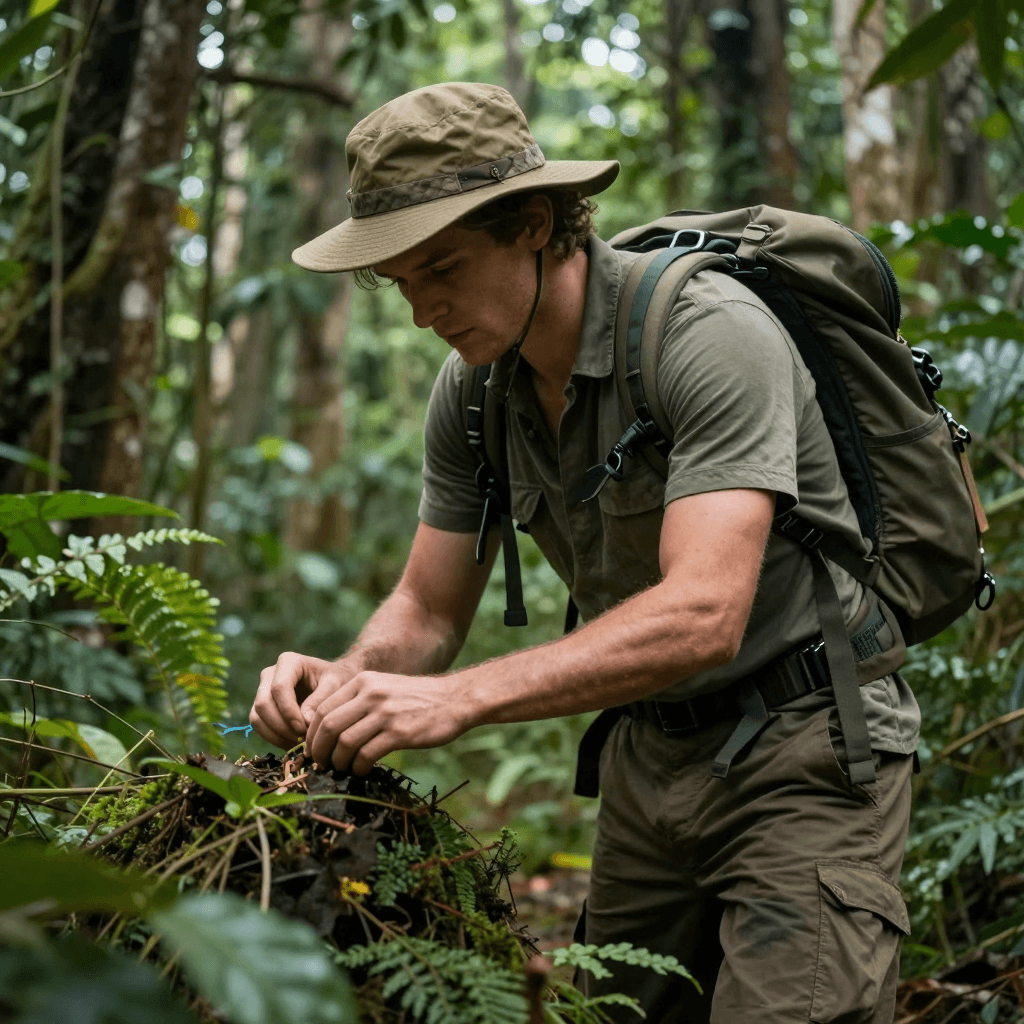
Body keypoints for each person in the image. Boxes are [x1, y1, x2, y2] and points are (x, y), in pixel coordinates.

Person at [249, 81, 920, 1023]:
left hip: (806, 745)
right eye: (401, 281)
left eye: (440, 267)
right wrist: (349, 685)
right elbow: (428, 611)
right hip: (649, 760)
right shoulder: (476, 390)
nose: (421, 311)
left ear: (532, 222)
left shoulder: (707, 333)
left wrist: (459, 698)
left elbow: (705, 613)